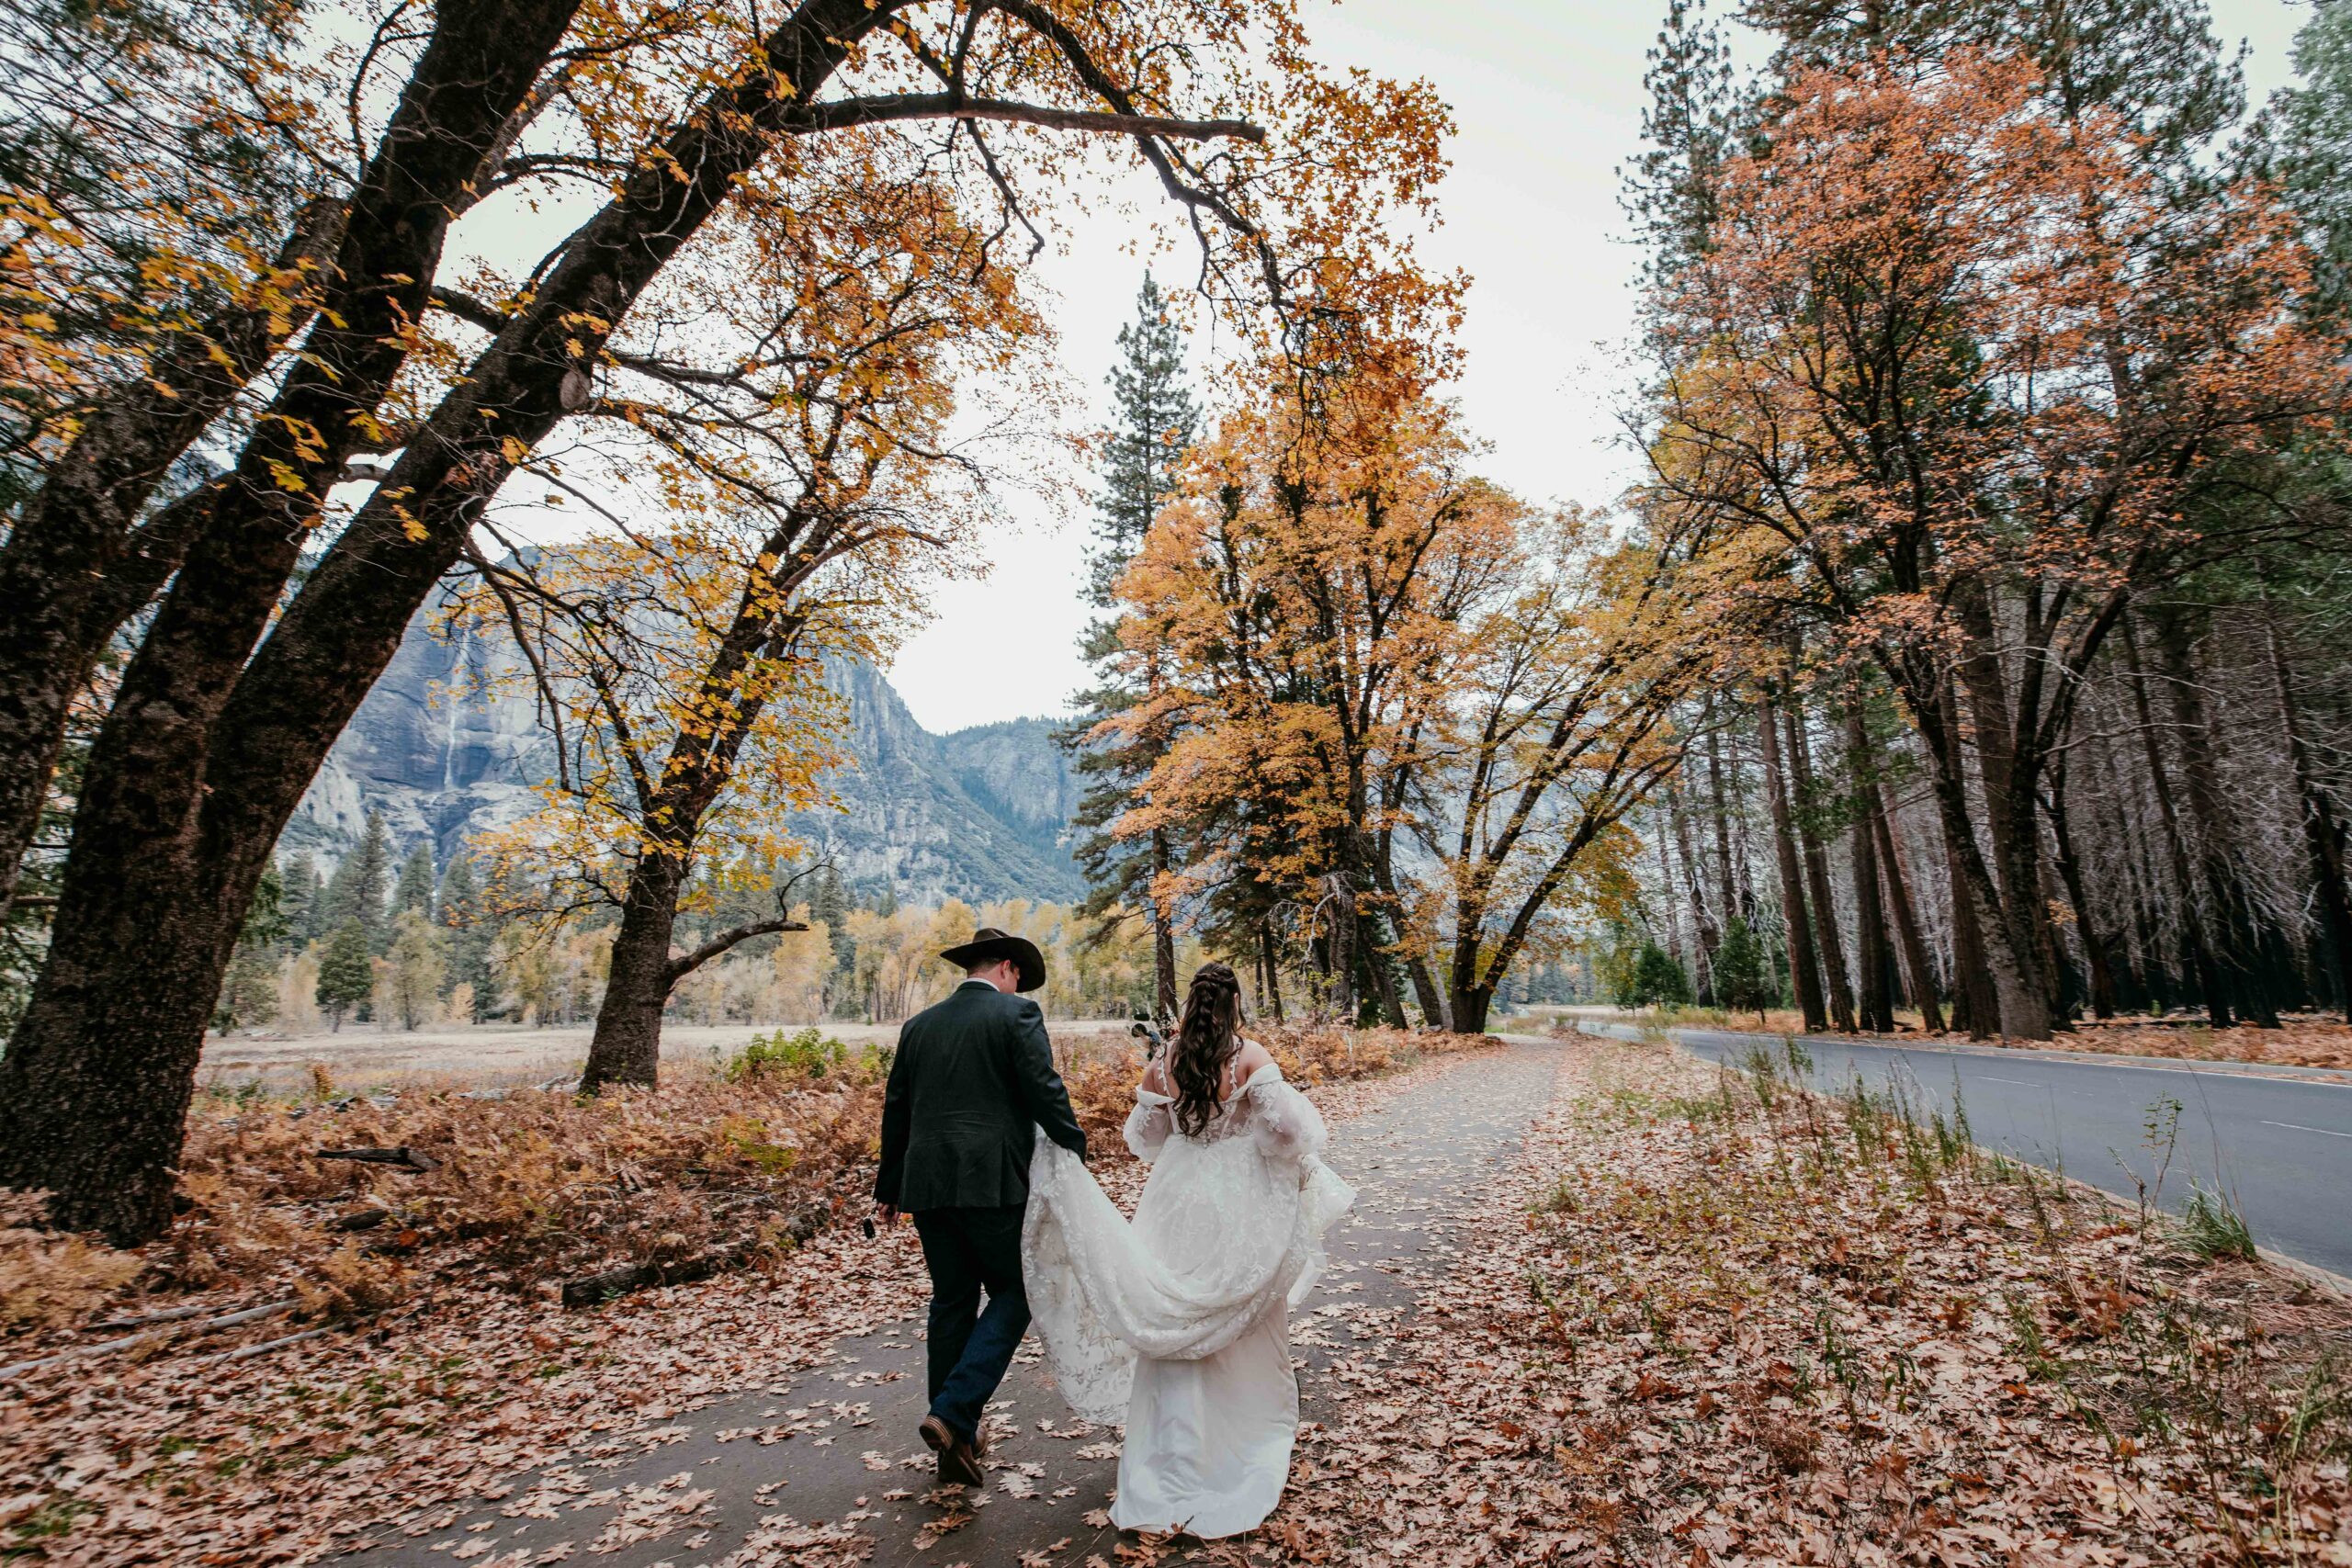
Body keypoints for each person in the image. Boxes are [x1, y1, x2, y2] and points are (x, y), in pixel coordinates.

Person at [1021, 962, 1353, 1538]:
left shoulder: (1163, 1061)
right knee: (1239, 1313)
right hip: (1239, 1196)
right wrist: (1247, 1126)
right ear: (1234, 1003)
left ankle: (1166, 1461)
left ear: (1192, 1004)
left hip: (1175, 1197)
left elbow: (1146, 1141)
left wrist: (1185, 1124)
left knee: (1173, 1313)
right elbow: (1289, 1135)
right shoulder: (1248, 1056)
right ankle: (1237, 1444)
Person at [874, 926, 1088, 1486]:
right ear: (1009, 969)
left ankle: (955, 1443)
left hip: (927, 1184)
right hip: (991, 1183)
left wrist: (890, 1187)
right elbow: (1044, 1087)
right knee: (1018, 1291)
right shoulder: (1016, 1016)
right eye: (1020, 979)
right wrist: (1075, 1147)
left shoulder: (918, 1026)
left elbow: (896, 1109)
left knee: (951, 1301)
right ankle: (953, 1411)